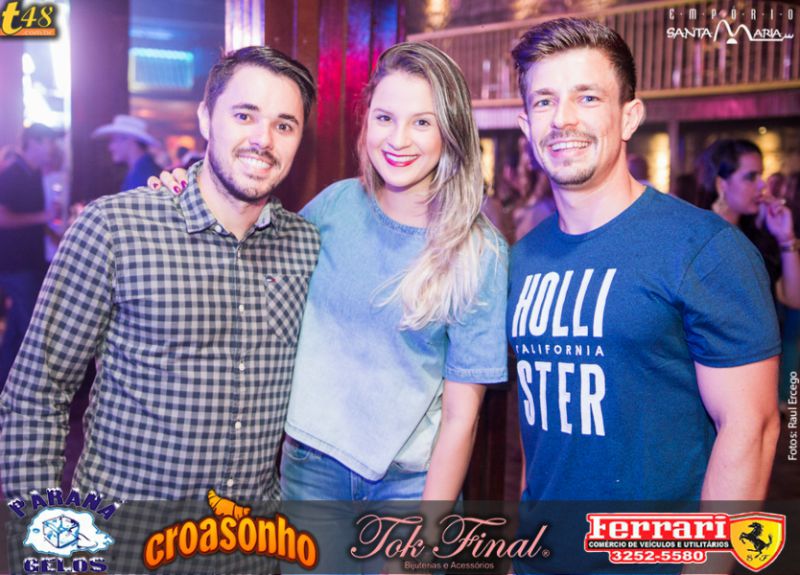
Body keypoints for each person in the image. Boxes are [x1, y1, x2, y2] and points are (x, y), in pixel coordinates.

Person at [0, 46, 320, 502]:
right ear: (206, 118)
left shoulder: (306, 246)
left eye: (284, 125)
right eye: (244, 115)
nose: (263, 139)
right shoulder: (114, 228)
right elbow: (36, 396)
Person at [509, 16, 780, 506]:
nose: (562, 119)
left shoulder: (704, 248)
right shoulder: (523, 257)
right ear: (527, 125)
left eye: (587, 98)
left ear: (630, 117)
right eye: (544, 101)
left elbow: (751, 427)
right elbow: (540, 423)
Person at [279, 42, 507, 504]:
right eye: (385, 117)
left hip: (411, 484)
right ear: (366, 122)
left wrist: (429, 532)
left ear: (450, 132)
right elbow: (252, 254)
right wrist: (186, 188)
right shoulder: (333, 206)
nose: (398, 139)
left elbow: (461, 418)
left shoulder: (480, 252)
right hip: (310, 467)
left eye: (422, 122)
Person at [701, 139, 800, 310]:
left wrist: (786, 238)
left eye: (761, 175)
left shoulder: (755, 234)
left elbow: (795, 299)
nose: (762, 184)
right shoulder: (700, 237)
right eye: (751, 177)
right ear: (721, 184)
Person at [0, 123, 62, 388]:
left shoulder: (34, 174)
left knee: (16, 335)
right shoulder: (13, 173)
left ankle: (6, 390)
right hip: (15, 266)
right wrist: (43, 217)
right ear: (34, 143)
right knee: (33, 335)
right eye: (49, 142)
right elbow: (2, 217)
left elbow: (37, 222)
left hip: (29, 264)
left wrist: (59, 236)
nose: (53, 148)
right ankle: (34, 395)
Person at [91, 114, 163, 192]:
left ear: (129, 140)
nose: (110, 147)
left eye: (114, 140)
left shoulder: (144, 174)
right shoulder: (141, 168)